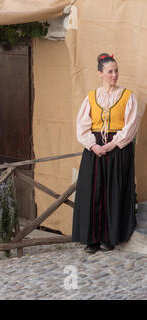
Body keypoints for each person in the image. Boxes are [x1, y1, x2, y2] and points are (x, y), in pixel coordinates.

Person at [73, 53, 139, 254]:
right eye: (110, 71)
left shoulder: (128, 96)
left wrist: (111, 145)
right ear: (100, 73)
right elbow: (82, 125)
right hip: (94, 150)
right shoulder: (91, 97)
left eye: (116, 71)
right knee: (92, 192)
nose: (114, 75)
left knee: (114, 191)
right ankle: (91, 238)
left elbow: (131, 126)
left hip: (118, 150)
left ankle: (110, 237)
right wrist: (93, 146)